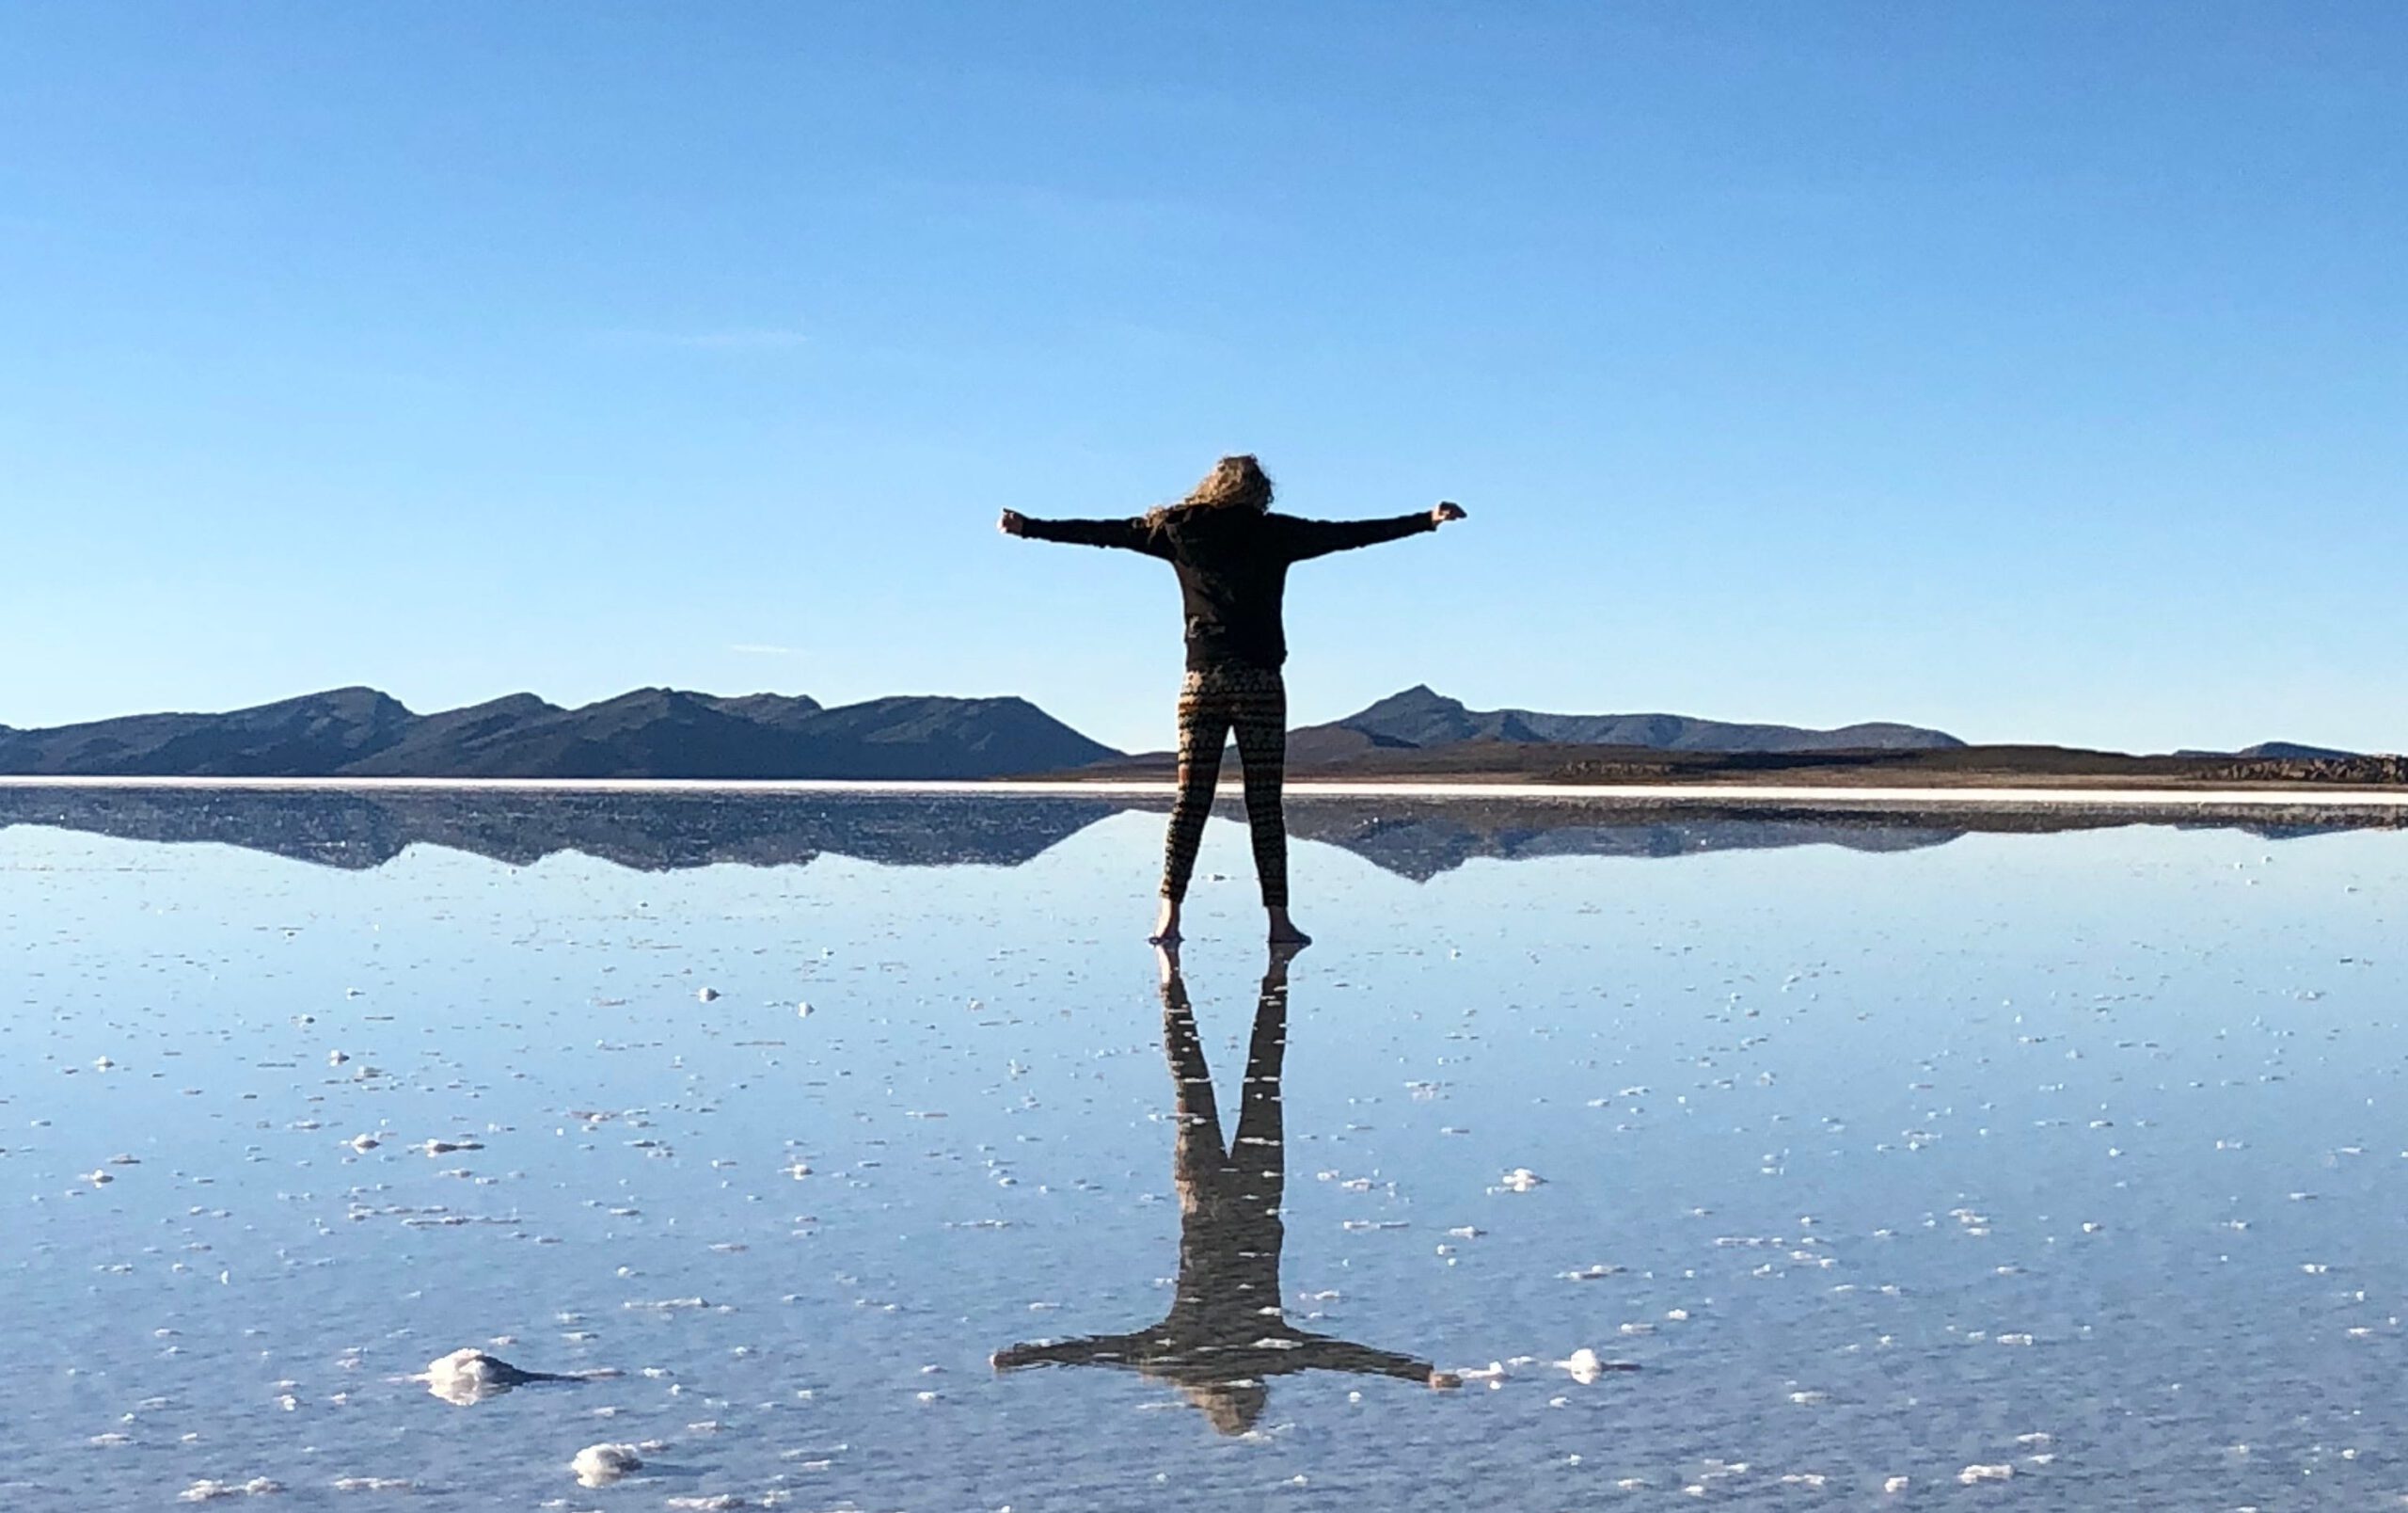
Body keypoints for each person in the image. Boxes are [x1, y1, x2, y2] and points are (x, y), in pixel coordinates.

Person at [990, 944, 1457, 1432]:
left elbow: (1100, 1351)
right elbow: (1343, 1358)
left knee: (1251, 1080)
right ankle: (1196, 980)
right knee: (1201, 1082)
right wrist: (1418, 1373)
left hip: (1236, 1194)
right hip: (1215, 1192)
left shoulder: (1211, 1356)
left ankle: (1229, 978)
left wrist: (1028, 1356)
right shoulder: (1212, 1356)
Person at [1001, 454, 1465, 945]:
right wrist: (1425, 520)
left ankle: (1168, 917)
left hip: (1200, 683)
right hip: (1260, 683)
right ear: (1259, 492)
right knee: (1264, 805)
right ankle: (1279, 923)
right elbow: (1346, 534)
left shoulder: (1176, 529)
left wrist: (1028, 527)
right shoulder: (1273, 533)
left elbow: (1103, 532)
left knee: (1190, 801)